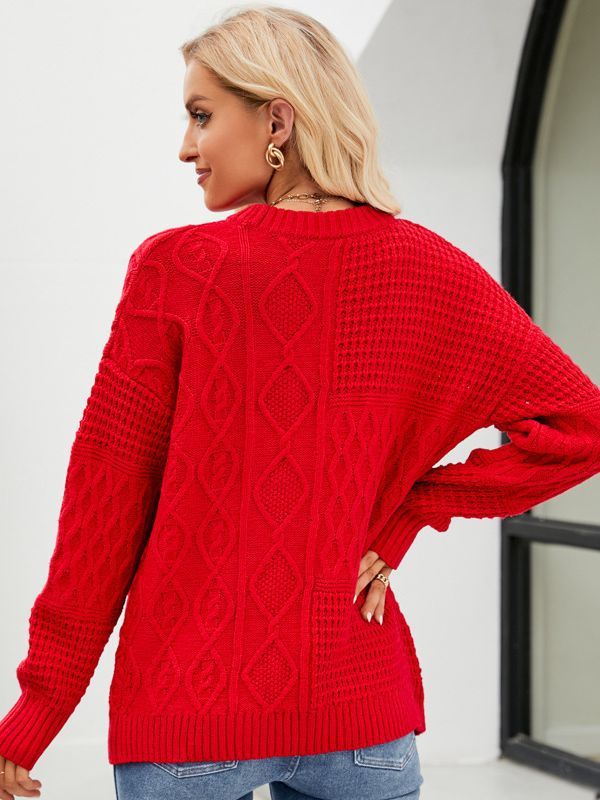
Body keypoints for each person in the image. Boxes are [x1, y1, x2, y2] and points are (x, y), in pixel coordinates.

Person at [2, 5, 600, 800]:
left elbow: (104, 507)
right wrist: (410, 511)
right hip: (361, 720)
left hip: (190, 716)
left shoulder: (178, 269)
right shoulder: (428, 269)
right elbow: (582, 427)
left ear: (277, 120)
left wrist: (36, 714)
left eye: (201, 115)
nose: (186, 146)